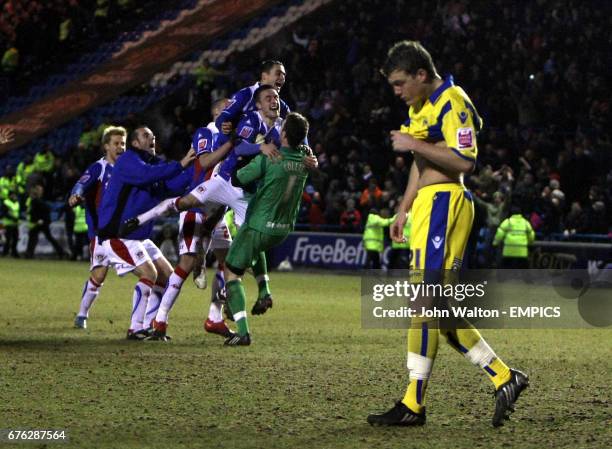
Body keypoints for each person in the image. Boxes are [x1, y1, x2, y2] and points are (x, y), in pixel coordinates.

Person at [367, 41, 528, 428]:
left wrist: (412, 143)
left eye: (401, 83)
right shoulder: (419, 107)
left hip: (446, 204)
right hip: (426, 206)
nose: (397, 92)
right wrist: (403, 209)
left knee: (423, 304)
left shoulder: (452, 100)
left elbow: (465, 161)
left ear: (422, 75)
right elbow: (420, 163)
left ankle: (412, 403)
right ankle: (504, 377)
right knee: (436, 311)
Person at [123, 86, 316, 319]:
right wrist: (254, 145)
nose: (230, 113)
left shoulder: (273, 128)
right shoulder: (214, 130)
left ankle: (220, 311)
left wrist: (307, 153)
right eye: (226, 111)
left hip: (241, 192)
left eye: (276, 97)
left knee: (247, 241)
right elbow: (213, 159)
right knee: (186, 239)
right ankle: (142, 221)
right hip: (221, 183)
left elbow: (295, 139)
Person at [147, 99, 236, 340]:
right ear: (217, 113)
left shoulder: (238, 139)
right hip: (195, 208)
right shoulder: (205, 133)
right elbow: (205, 162)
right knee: (186, 263)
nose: (234, 111)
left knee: (229, 264)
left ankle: (214, 317)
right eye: (228, 109)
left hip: (218, 212)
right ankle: (159, 320)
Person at [97, 126, 195, 340]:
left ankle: (151, 327)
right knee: (149, 273)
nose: (152, 138)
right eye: (145, 135)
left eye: (153, 135)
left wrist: (196, 168)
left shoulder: (155, 165)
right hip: (117, 234)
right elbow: (145, 176)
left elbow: (173, 186)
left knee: (168, 277)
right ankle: (135, 328)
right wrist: (180, 164)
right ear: (134, 143)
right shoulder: (127, 160)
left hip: (138, 237)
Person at [223, 112, 310, 345]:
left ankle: (242, 332)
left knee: (230, 272)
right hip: (282, 230)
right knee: (257, 248)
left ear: (283, 134)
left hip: (258, 225)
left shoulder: (271, 157)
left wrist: (245, 158)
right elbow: (307, 153)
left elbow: (237, 179)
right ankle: (264, 292)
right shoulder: (305, 160)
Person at [68, 126, 126, 329]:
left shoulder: (128, 168)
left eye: (123, 144)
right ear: (106, 147)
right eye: (116, 144)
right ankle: (82, 315)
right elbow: (81, 184)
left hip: (125, 233)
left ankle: (145, 322)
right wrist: (76, 195)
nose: (120, 147)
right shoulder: (99, 168)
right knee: (99, 275)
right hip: (101, 233)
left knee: (150, 272)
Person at [215, 59, 290, 146]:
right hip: (237, 150)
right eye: (278, 73)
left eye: (284, 75)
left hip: (266, 152)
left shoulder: (282, 106)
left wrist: (305, 148)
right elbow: (222, 118)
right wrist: (223, 125)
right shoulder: (246, 94)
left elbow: (296, 128)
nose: (282, 78)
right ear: (264, 76)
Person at [25, 184, 66, 259]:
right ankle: (61, 252)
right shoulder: (36, 200)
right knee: (35, 237)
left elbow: (41, 211)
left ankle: (29, 254)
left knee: (33, 237)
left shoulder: (37, 201)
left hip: (40, 222)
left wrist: (42, 219)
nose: (40, 191)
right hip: (38, 222)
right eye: (39, 190)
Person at [2, 190, 20, 257]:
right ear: (10, 195)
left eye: (15, 195)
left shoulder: (16, 202)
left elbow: (17, 212)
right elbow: (4, 213)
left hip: (15, 224)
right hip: (8, 224)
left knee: (16, 239)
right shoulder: (6, 202)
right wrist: (13, 218)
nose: (14, 196)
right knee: (8, 239)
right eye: (13, 195)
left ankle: (14, 252)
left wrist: (18, 219)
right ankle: (5, 253)